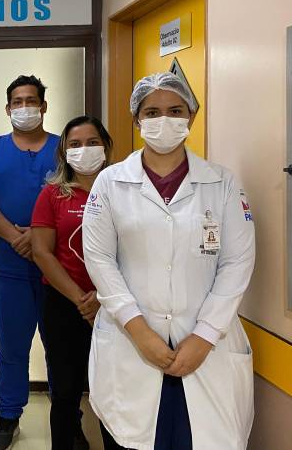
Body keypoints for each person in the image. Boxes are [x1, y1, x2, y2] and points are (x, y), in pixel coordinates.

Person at [82, 72, 256, 450]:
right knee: (133, 439)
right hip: (132, 344)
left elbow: (237, 262)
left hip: (207, 350)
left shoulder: (223, 183)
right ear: (137, 119)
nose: (164, 120)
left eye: (175, 111)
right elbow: (99, 259)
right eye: (152, 112)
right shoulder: (110, 183)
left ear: (191, 116)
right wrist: (140, 332)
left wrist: (205, 335)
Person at [0, 75, 60, 450]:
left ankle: (68, 418)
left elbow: (82, 197)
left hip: (60, 270)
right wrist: (16, 237)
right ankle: (8, 415)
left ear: (44, 106)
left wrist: (39, 240)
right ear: (7, 109)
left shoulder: (64, 148)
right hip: (10, 266)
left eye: (31, 101)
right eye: (17, 102)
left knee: (62, 347)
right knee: (12, 345)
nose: (24, 108)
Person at [31, 116, 122, 450]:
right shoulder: (52, 195)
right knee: (66, 391)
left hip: (115, 304)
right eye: (75, 144)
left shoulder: (123, 191)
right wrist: (82, 299)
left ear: (106, 146)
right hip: (63, 304)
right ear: (64, 152)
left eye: (92, 142)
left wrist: (102, 296)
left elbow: (136, 252)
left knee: (113, 391)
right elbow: (42, 252)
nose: (84, 149)